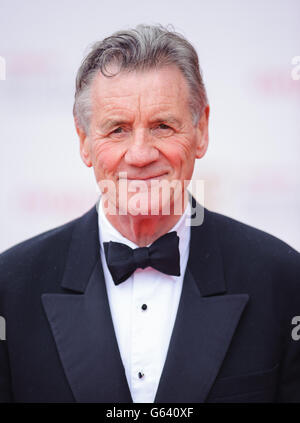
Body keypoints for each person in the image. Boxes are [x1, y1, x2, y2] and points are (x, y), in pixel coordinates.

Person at [0, 24, 299, 403]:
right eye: (118, 130)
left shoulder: (283, 279)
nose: (141, 154)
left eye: (162, 126)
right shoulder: (10, 287)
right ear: (85, 142)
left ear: (201, 130)